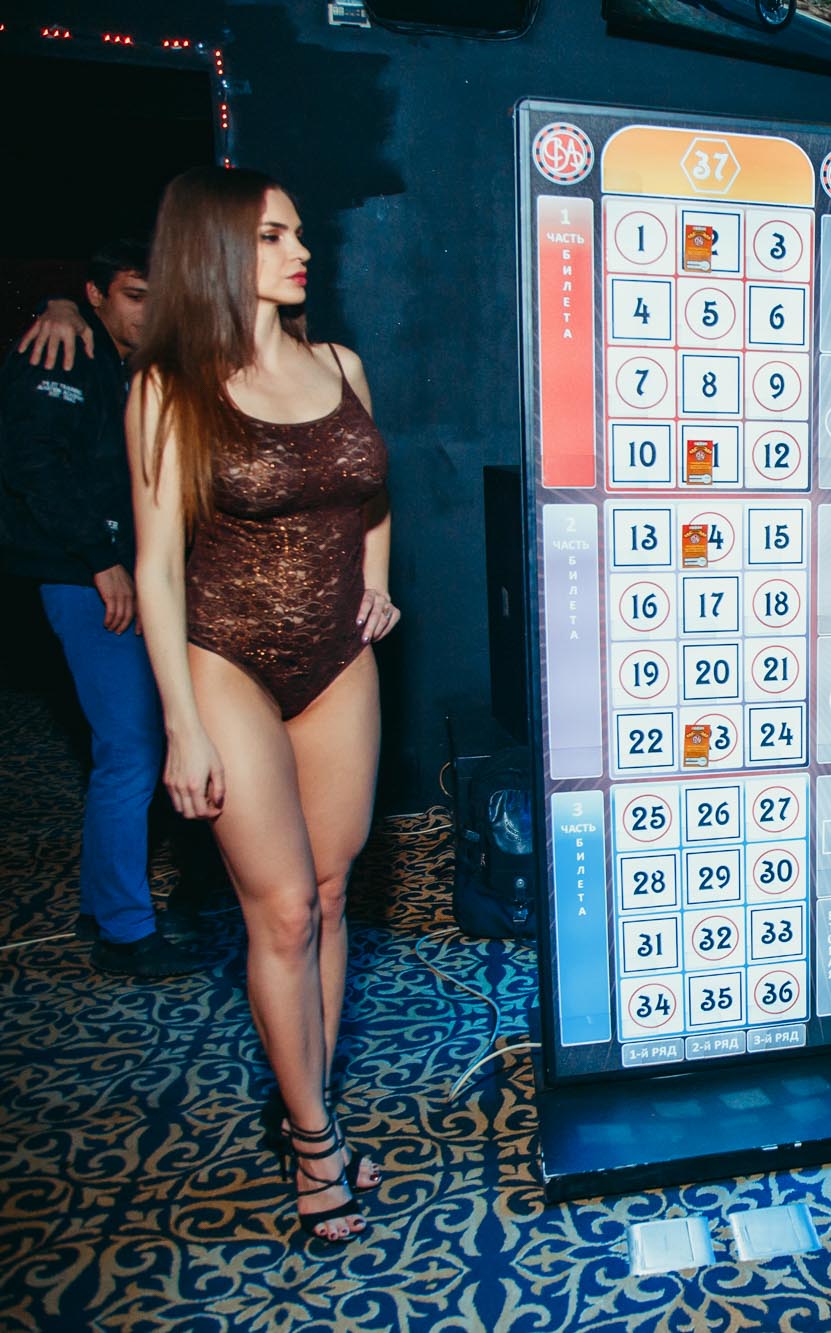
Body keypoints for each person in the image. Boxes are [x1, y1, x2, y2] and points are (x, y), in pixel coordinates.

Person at [126, 166, 397, 1243]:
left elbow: (372, 488)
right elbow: (157, 568)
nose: (302, 251)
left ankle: (304, 1105)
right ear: (216, 249)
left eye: (299, 232)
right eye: (275, 235)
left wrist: (378, 578)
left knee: (329, 892)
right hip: (224, 659)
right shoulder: (171, 388)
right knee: (281, 910)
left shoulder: (340, 365)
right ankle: (316, 1143)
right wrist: (180, 726)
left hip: (338, 661)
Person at [0, 240, 204, 977]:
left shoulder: (132, 366)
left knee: (129, 746)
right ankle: (125, 934)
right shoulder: (62, 352)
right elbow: (32, 467)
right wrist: (100, 560)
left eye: (157, 297)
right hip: (84, 578)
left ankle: (105, 906)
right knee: (133, 749)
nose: (148, 312)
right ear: (94, 296)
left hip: (119, 572)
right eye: (133, 296)